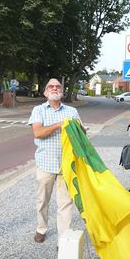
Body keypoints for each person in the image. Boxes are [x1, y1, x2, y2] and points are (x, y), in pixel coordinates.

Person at [28, 78, 83, 244]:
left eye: (58, 86)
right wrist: (60, 125)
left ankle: (63, 239)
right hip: (45, 165)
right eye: (51, 86)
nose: (54, 88)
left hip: (66, 166)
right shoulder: (38, 110)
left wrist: (80, 129)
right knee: (42, 200)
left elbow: (81, 136)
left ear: (62, 91)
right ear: (45, 92)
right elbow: (37, 133)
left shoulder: (72, 111)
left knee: (65, 204)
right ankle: (41, 228)